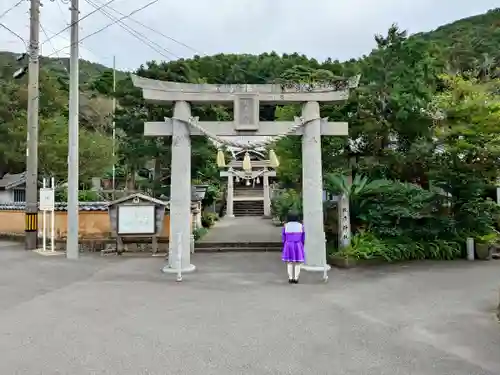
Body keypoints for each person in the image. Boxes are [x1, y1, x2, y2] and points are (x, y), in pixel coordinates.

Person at [281, 211, 305, 284]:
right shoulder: (301, 226)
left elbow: (283, 237)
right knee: (298, 262)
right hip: (298, 244)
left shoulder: (286, 226)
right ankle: (296, 278)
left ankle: (290, 278)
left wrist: (285, 243)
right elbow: (303, 237)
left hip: (288, 244)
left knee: (289, 262)